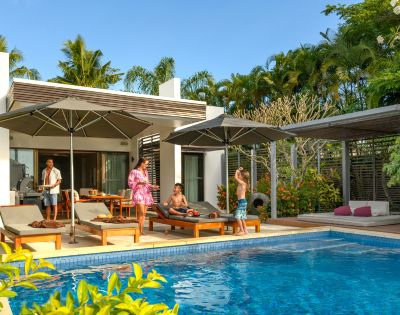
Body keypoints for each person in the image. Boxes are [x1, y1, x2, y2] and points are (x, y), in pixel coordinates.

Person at [128, 157, 159, 235]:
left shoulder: (146, 172)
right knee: (141, 212)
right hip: (138, 193)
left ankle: (140, 230)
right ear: (141, 163)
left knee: (144, 213)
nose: (147, 166)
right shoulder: (134, 171)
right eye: (146, 164)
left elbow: (147, 184)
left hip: (146, 193)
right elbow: (130, 183)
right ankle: (138, 230)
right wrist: (139, 183)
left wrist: (152, 187)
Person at [234, 167, 250, 236]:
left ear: (242, 177)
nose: (238, 175)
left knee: (237, 217)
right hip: (242, 201)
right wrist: (239, 170)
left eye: (240, 175)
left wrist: (236, 170)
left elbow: (235, 178)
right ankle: (245, 230)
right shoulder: (242, 183)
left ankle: (242, 231)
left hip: (242, 201)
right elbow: (237, 177)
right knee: (242, 217)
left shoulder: (243, 183)